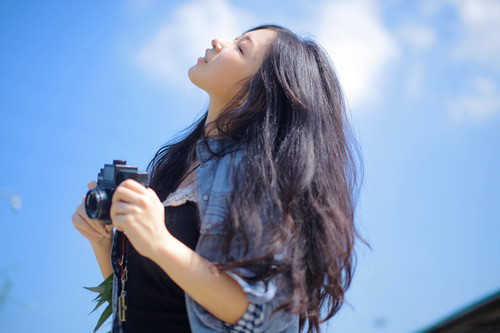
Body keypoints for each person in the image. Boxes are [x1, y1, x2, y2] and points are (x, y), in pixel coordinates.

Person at [72, 24, 366, 333]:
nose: (218, 41)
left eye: (240, 48)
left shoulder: (259, 176)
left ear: (261, 94)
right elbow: (143, 303)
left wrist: (159, 242)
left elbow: (262, 314)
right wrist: (104, 242)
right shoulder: (178, 162)